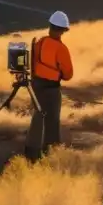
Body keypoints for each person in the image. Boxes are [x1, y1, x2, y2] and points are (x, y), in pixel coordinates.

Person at [25, 11, 74, 161]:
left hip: (36, 87)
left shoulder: (38, 42)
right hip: (51, 90)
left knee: (38, 117)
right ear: (63, 30)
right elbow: (68, 74)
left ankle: (31, 152)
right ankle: (51, 154)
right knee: (52, 122)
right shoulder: (61, 49)